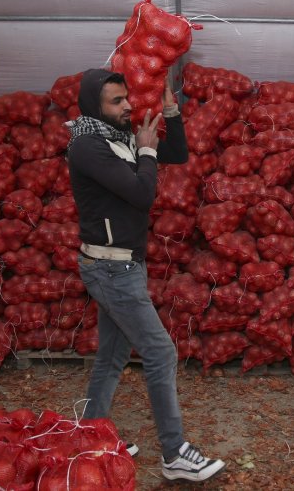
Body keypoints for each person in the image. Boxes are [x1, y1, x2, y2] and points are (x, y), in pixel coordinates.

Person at [66, 67, 225, 482]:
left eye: (126, 98)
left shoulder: (117, 139)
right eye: (116, 102)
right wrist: (148, 152)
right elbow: (140, 194)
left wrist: (172, 115)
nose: (128, 106)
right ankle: (174, 454)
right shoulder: (87, 146)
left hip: (122, 265)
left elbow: (177, 155)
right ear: (93, 107)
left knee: (114, 355)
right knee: (161, 353)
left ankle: (88, 438)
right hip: (110, 267)